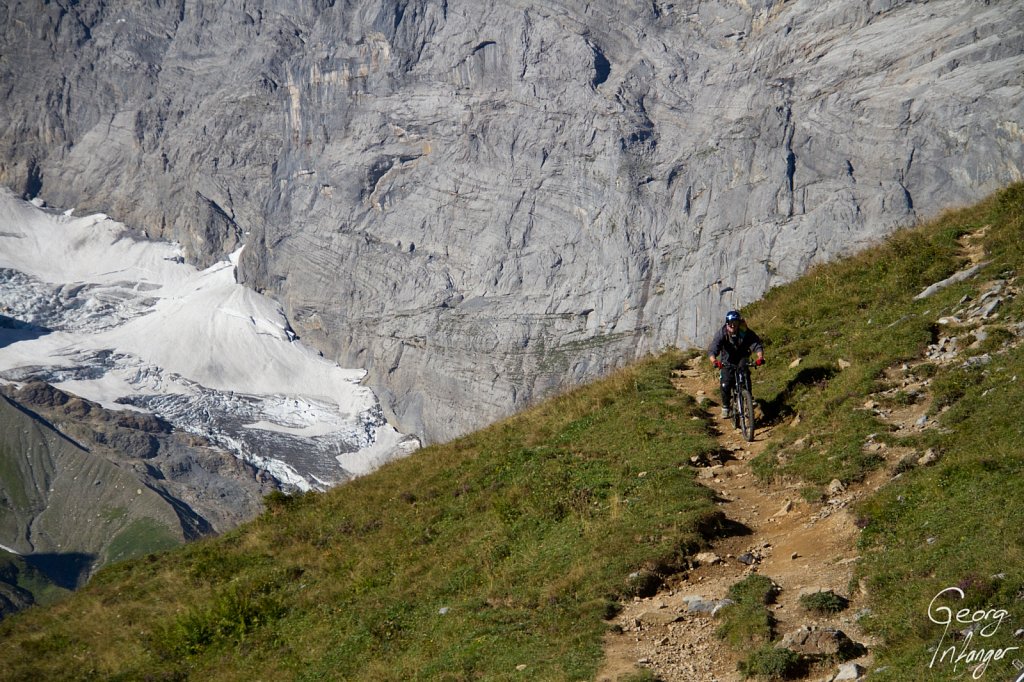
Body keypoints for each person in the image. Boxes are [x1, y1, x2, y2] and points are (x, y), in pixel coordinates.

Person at [708, 310, 765, 418]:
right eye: (730, 322)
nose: (733, 325)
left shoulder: (745, 332)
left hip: (742, 357)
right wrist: (714, 361)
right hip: (727, 361)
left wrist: (760, 357)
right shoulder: (722, 333)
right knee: (725, 383)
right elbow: (713, 349)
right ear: (727, 323)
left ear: (739, 322)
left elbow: (756, 344)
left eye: (735, 322)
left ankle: (749, 398)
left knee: (745, 373)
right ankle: (725, 407)